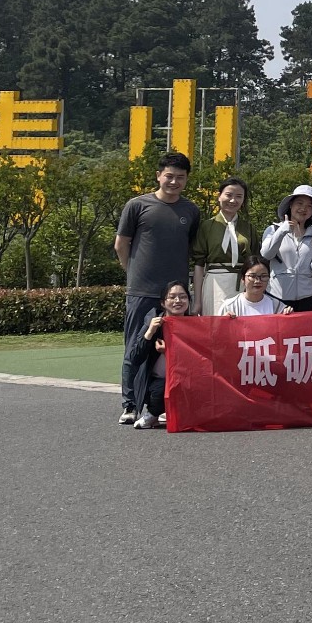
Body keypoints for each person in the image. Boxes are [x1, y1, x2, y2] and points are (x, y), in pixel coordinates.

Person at [114, 152, 200, 427]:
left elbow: (191, 248)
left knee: (172, 350)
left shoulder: (191, 210)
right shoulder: (137, 205)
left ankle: (163, 403)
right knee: (136, 347)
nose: (174, 182)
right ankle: (129, 404)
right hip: (142, 290)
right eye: (169, 176)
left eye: (180, 177)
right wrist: (132, 274)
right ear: (158, 176)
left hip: (175, 296)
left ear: (187, 179)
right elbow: (121, 244)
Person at [128, 280, 192, 427]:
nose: (178, 301)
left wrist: (228, 320)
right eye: (172, 297)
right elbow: (135, 358)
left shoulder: (195, 323)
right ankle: (152, 413)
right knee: (163, 387)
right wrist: (149, 333)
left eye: (183, 297)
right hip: (157, 382)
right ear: (163, 303)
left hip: (187, 379)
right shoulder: (154, 323)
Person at [191, 176, 256, 315]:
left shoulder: (248, 228)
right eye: (229, 195)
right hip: (214, 284)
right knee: (215, 323)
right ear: (219, 196)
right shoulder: (207, 226)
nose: (233, 200)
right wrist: (197, 301)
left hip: (243, 284)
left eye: (239, 196)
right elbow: (199, 264)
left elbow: (256, 262)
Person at [261, 184, 312, 313]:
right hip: (277, 295)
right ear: (290, 205)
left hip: (306, 297)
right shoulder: (273, 229)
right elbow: (266, 254)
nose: (303, 209)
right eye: (299, 203)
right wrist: (282, 231)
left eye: (309, 206)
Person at [217, 259, 287, 317]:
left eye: (263, 276)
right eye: (252, 276)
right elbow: (217, 329)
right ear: (243, 279)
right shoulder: (229, 306)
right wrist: (224, 322)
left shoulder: (277, 307)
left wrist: (288, 314)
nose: (258, 281)